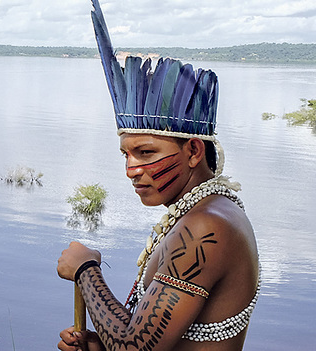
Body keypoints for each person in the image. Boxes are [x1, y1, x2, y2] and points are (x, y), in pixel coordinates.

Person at [56, 1, 260, 350]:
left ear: (194, 151)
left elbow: (135, 348)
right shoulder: (205, 211)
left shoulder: (206, 227)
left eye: (146, 152)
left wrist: (86, 270)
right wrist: (102, 343)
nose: (132, 170)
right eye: (127, 154)